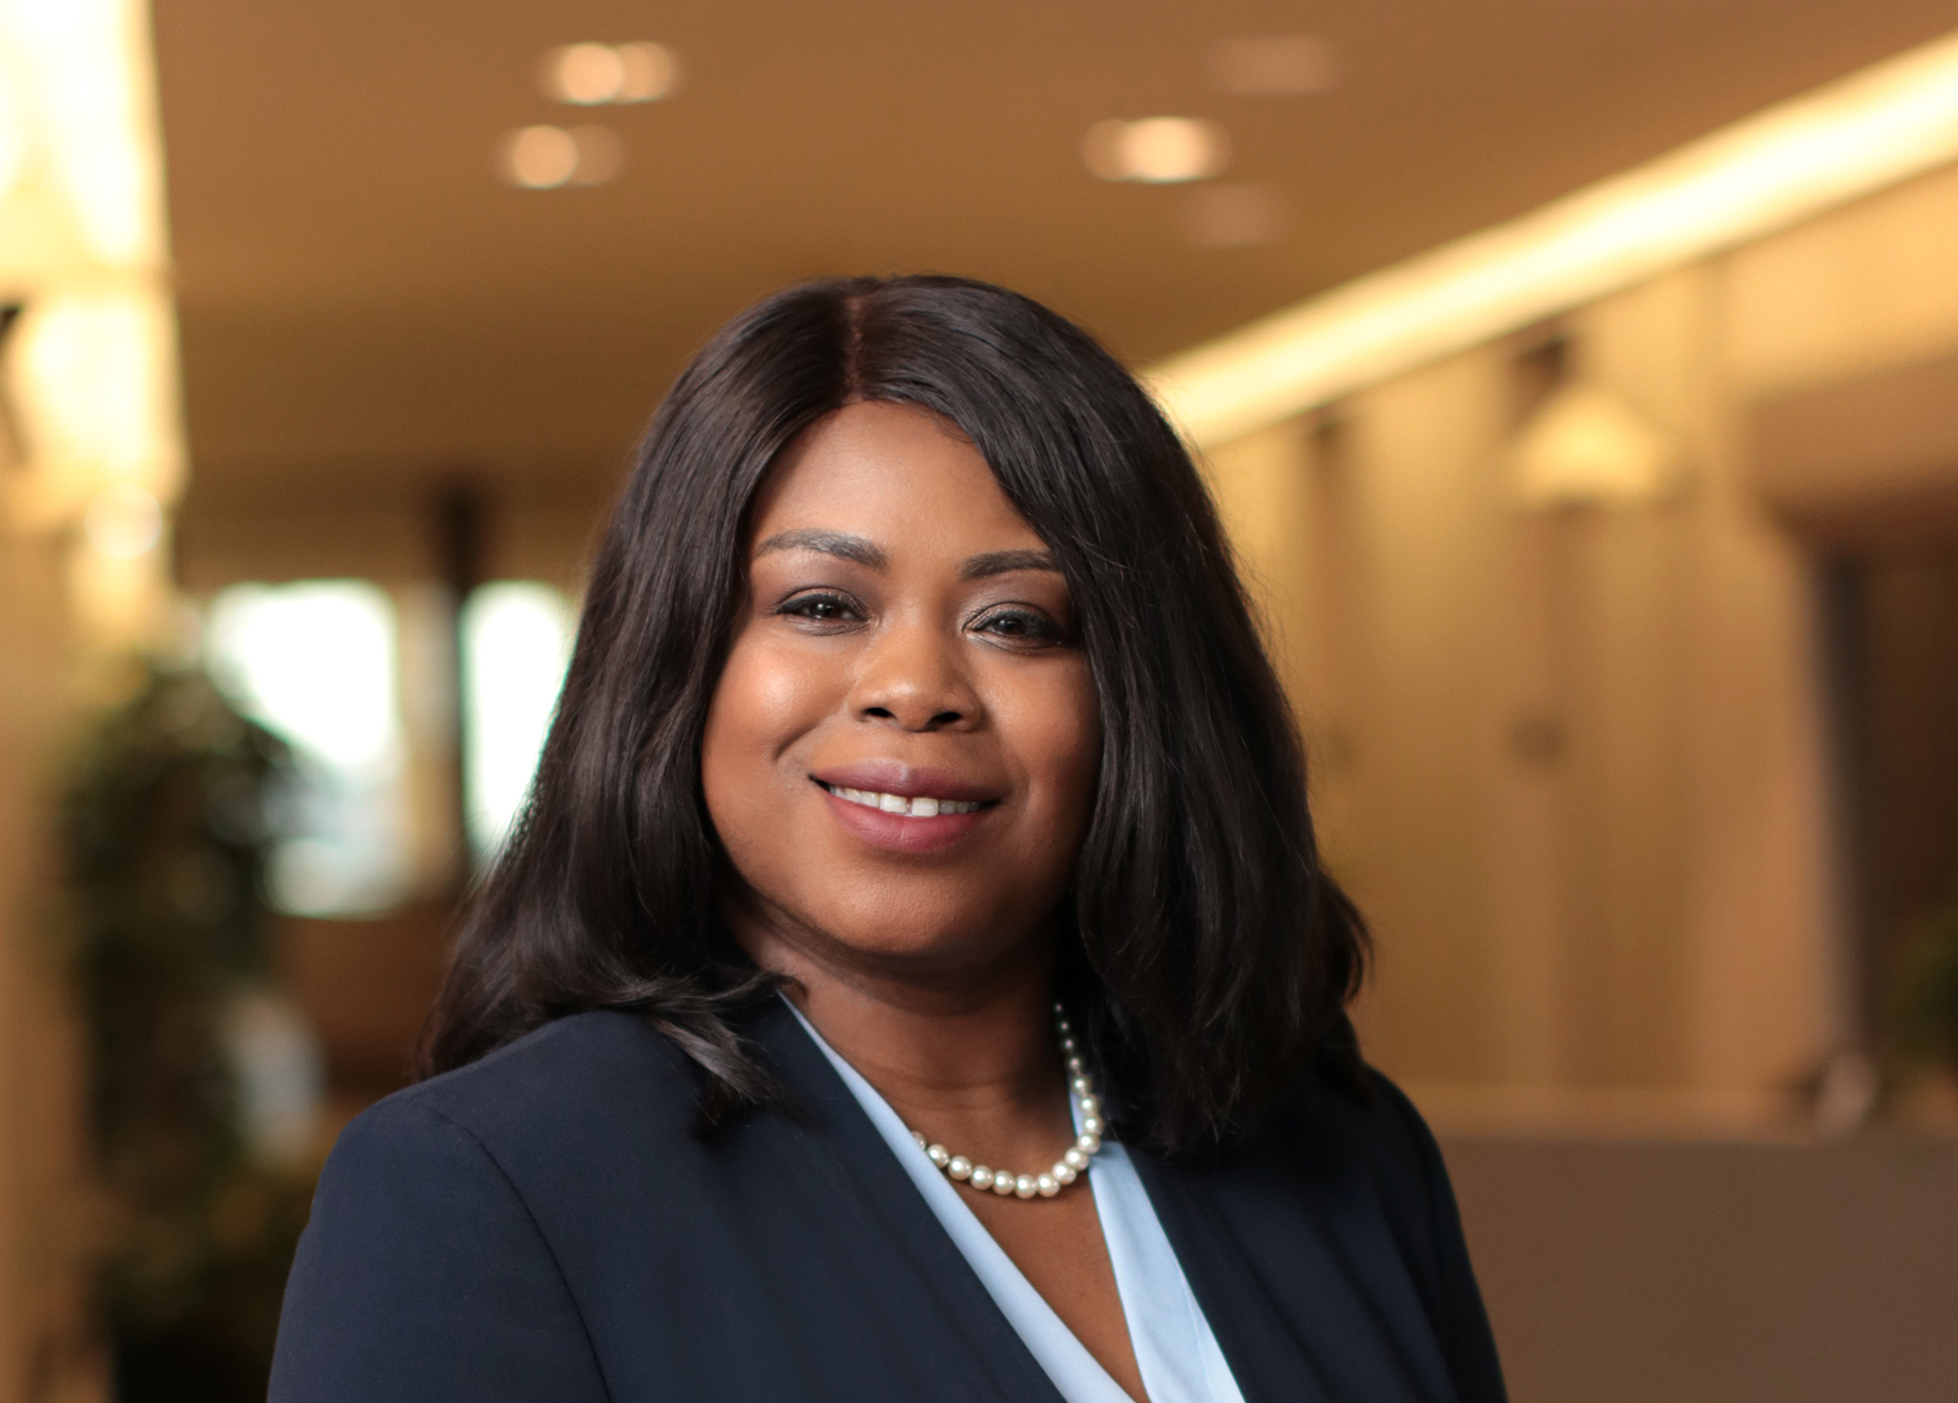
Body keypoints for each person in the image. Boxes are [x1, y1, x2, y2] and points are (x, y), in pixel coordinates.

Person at [267, 275, 1506, 1403]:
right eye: (820, 604)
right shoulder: (486, 1187)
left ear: (1137, 698)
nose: (913, 685)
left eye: (1018, 621)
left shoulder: (1339, 1147)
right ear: (679, 665)